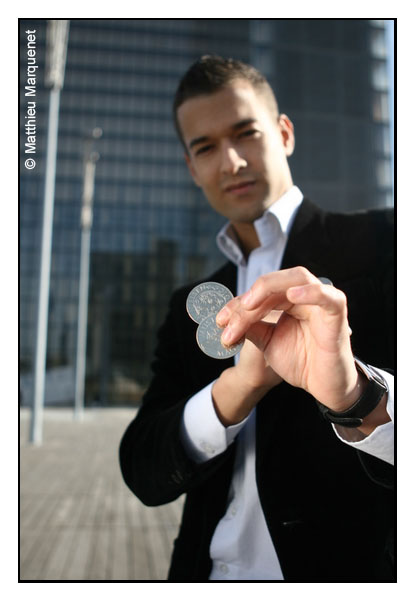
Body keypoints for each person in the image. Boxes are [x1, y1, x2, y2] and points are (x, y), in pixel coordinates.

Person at [119, 55, 395, 582]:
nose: (231, 161)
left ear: (284, 133)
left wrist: (356, 396)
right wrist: (233, 392)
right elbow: (143, 469)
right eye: (205, 148)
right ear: (192, 168)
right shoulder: (187, 307)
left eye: (245, 133)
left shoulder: (388, 245)